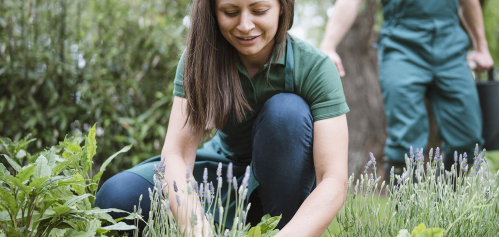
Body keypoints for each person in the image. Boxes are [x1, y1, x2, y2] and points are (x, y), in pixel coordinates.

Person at [95, 0, 350, 235]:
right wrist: (196, 227)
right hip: (221, 175)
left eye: (259, 10)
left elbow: (333, 179)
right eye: (230, 12)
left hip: (284, 187)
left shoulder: (315, 68)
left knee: (288, 112)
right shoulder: (199, 59)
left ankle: (275, 226)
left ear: (282, 7)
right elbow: (177, 155)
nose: (245, 26)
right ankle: (219, 223)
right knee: (117, 197)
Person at [319, 0, 493, 170]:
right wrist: (328, 46)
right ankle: (407, 199)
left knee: (468, 140)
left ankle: (445, 199)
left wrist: (481, 47)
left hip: (451, 48)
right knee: (406, 141)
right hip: (401, 48)